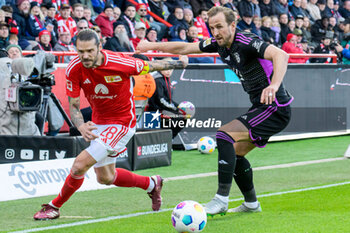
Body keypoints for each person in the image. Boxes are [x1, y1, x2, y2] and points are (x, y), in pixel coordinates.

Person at [137, 6, 292, 216]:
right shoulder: (219, 44)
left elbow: (281, 55)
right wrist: (150, 45)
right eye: (212, 27)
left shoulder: (245, 41)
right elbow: (185, 48)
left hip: (275, 107)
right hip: (261, 106)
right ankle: (251, 204)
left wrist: (273, 86)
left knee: (224, 135)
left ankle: (221, 199)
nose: (215, 32)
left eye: (220, 26)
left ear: (233, 25)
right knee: (235, 153)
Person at [33, 28, 189, 220]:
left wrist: (179, 63)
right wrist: (80, 125)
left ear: (99, 47)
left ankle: (53, 206)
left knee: (79, 166)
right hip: (99, 122)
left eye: (90, 50)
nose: (86, 56)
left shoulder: (120, 62)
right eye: (81, 51)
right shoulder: (74, 68)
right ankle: (151, 184)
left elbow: (152, 66)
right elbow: (73, 105)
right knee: (105, 178)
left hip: (122, 123)